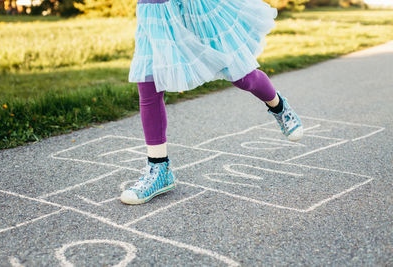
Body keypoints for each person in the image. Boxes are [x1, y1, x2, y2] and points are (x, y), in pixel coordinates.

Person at [120, 0, 303, 205]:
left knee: (243, 76)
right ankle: (159, 169)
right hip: (154, 10)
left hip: (195, 7)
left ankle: (279, 107)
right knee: (148, 83)